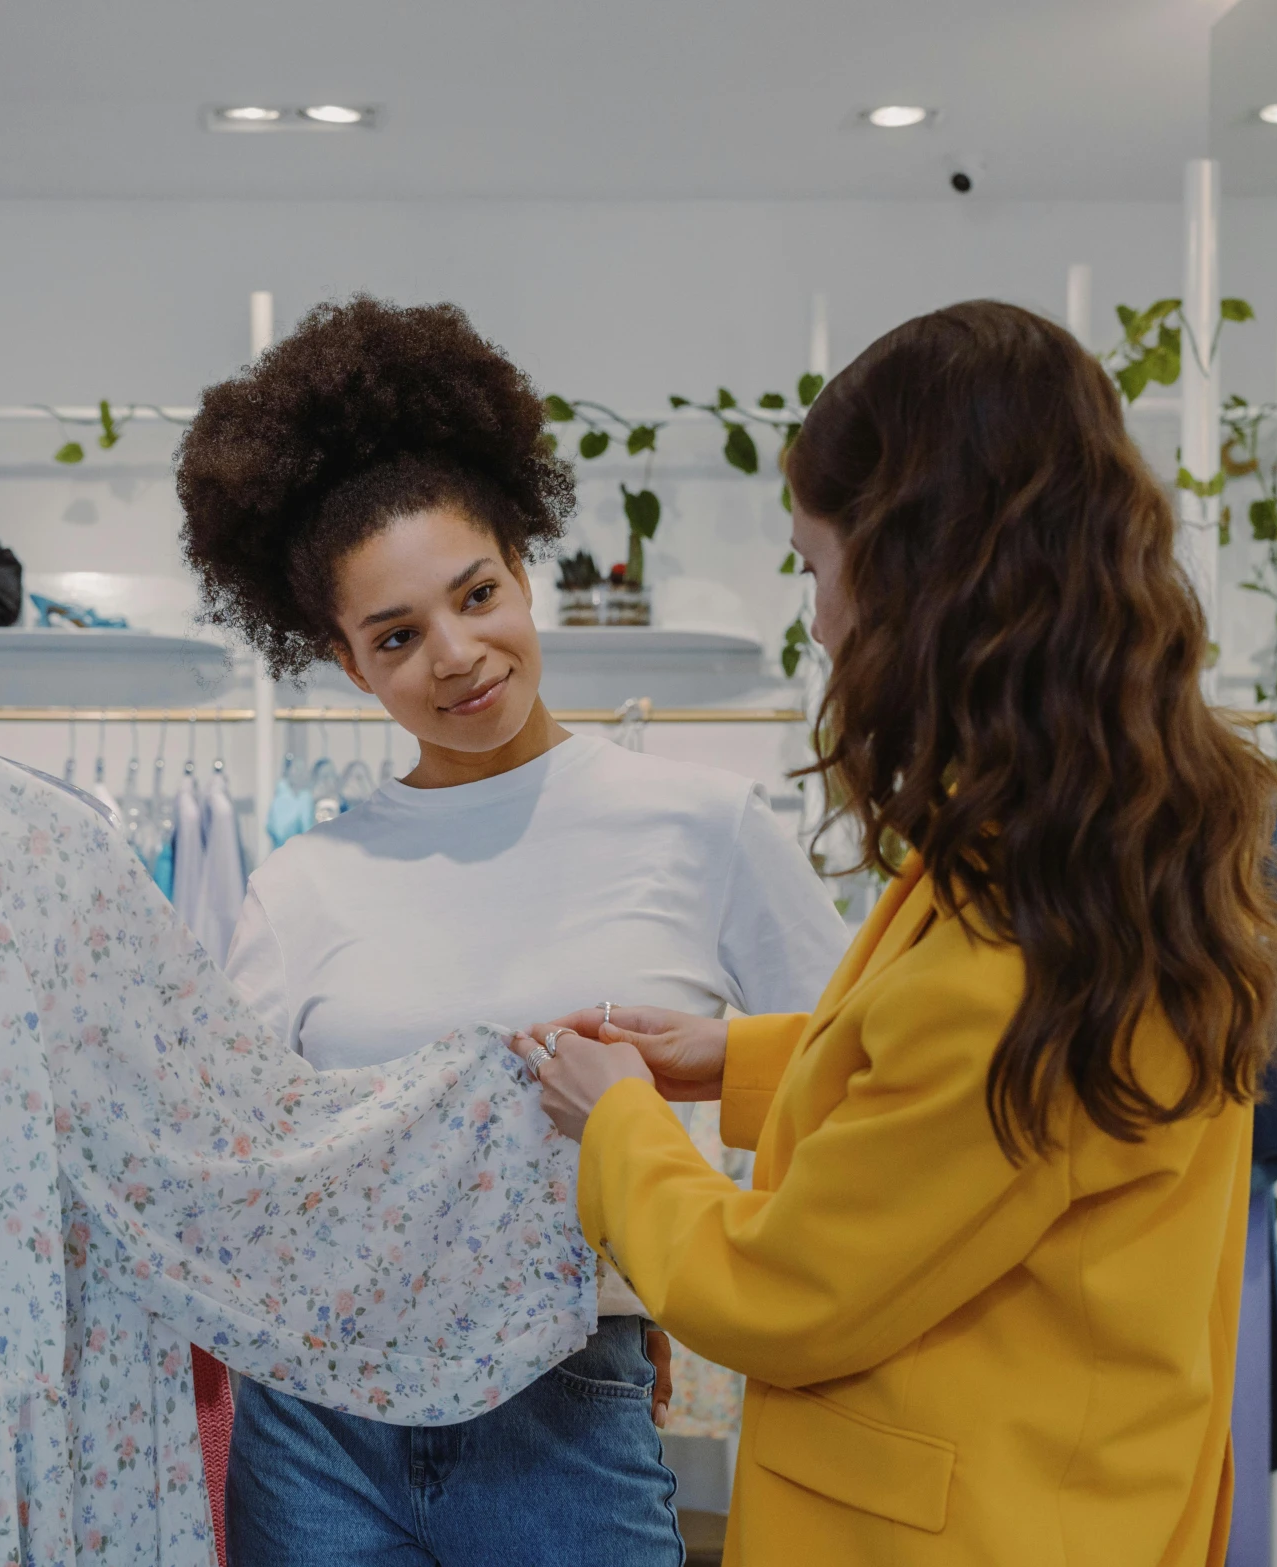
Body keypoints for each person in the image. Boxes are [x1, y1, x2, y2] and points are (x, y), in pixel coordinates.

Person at [516, 300, 1277, 1566]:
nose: (819, 622)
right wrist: (743, 1062)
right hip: (1070, 1493)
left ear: (914, 577)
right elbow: (986, 1135)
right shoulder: (1094, 849)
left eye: (815, 567)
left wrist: (622, 1121)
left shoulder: (1016, 941)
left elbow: (775, 1290)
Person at [175, 296, 848, 1567]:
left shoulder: (703, 829)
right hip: (319, 1423)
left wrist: (710, 1275)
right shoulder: (304, 883)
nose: (459, 653)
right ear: (344, 658)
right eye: (396, 635)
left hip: (566, 1402)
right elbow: (235, 1164)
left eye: (476, 593)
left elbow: (847, 1082)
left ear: (523, 565)